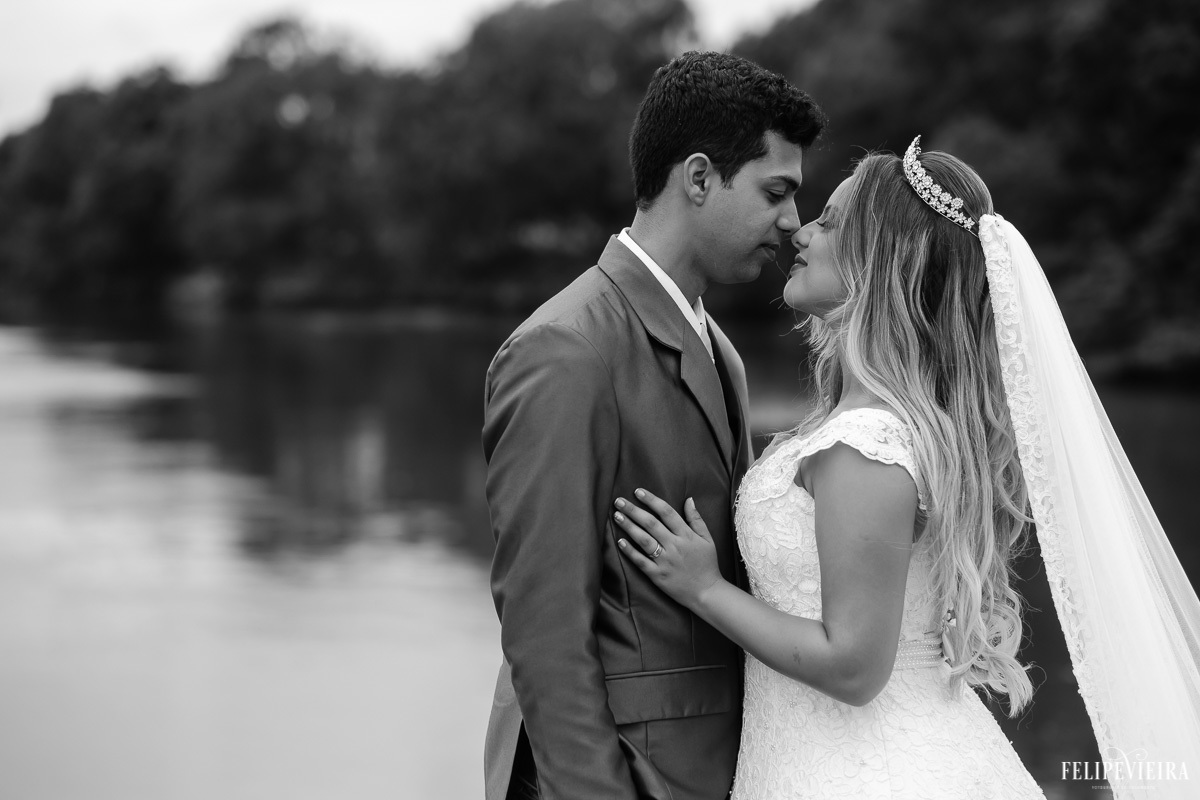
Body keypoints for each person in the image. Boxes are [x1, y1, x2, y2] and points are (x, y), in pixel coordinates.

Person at [614, 137, 1200, 798]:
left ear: (881, 261)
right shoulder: (876, 426)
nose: (800, 231)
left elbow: (854, 666)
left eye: (830, 222)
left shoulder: (866, 443)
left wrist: (703, 589)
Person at [481, 52, 826, 800]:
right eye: (776, 191)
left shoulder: (722, 351)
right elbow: (543, 635)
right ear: (698, 178)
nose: (793, 222)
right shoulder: (565, 349)